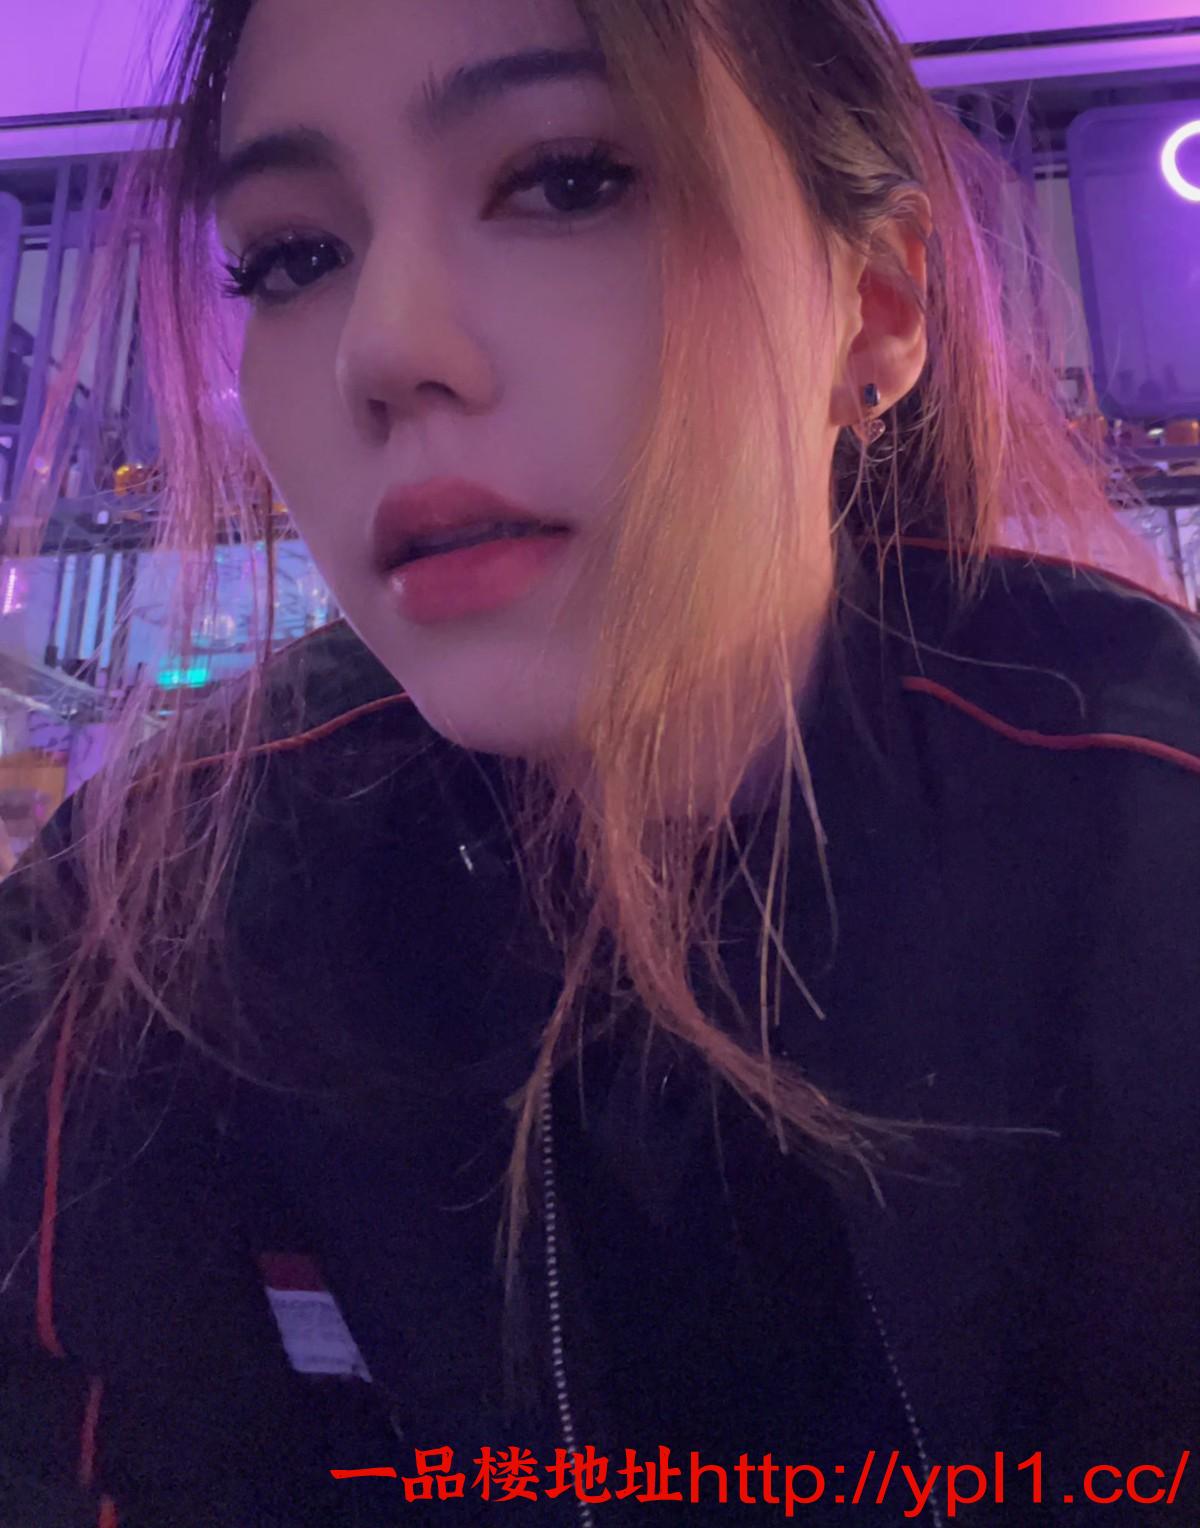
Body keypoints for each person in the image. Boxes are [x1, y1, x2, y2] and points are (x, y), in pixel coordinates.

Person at [0, 1, 1197, 1524]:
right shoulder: (148, 926)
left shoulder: (1150, 834)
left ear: (877, 308)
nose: (385, 349)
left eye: (567, 179)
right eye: (292, 257)